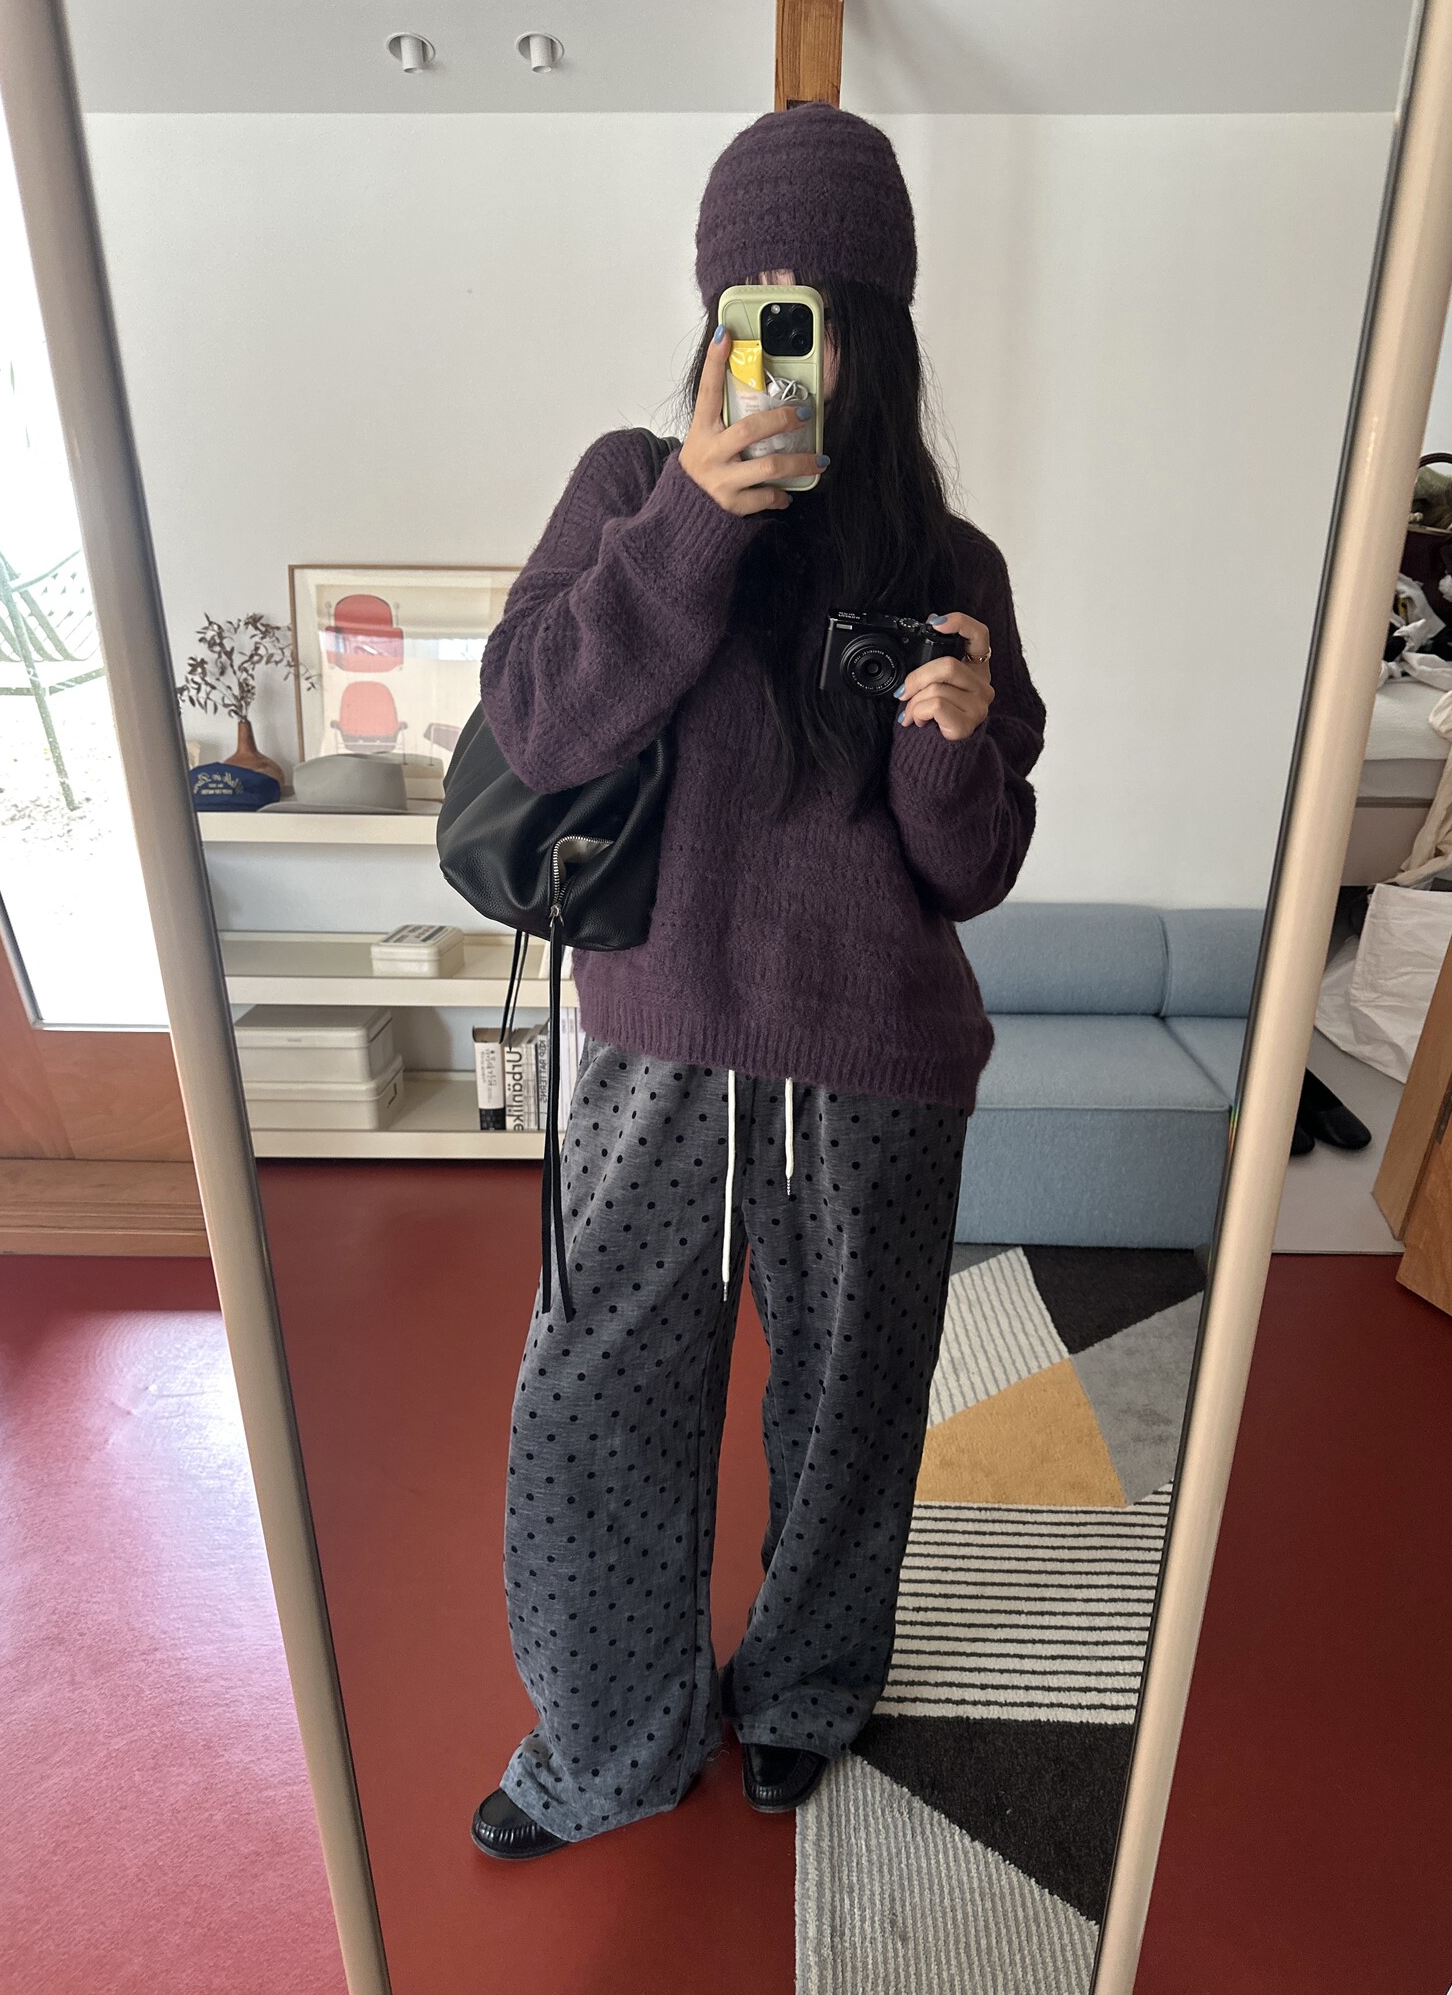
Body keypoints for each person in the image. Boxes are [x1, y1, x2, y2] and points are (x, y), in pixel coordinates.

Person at [471, 101, 1046, 1860]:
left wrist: (954, 741)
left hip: (879, 1066)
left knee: (854, 1409)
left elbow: (973, 870)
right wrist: (691, 530)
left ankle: (803, 1691)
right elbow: (540, 725)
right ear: (717, 317)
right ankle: (610, 1740)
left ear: (881, 331)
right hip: (660, 1046)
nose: (790, 347)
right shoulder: (630, 489)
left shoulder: (951, 568)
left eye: (825, 312)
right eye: (756, 308)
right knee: (595, 1400)